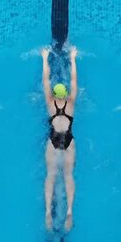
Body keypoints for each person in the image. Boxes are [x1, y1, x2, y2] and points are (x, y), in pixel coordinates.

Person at [41, 46, 78, 231]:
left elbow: (45, 81)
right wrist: (73, 58)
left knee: (51, 176)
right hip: (69, 141)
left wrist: (44, 58)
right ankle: (69, 211)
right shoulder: (71, 103)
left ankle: (48, 211)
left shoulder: (49, 103)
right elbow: (74, 80)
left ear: (55, 95)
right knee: (68, 175)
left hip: (53, 143)